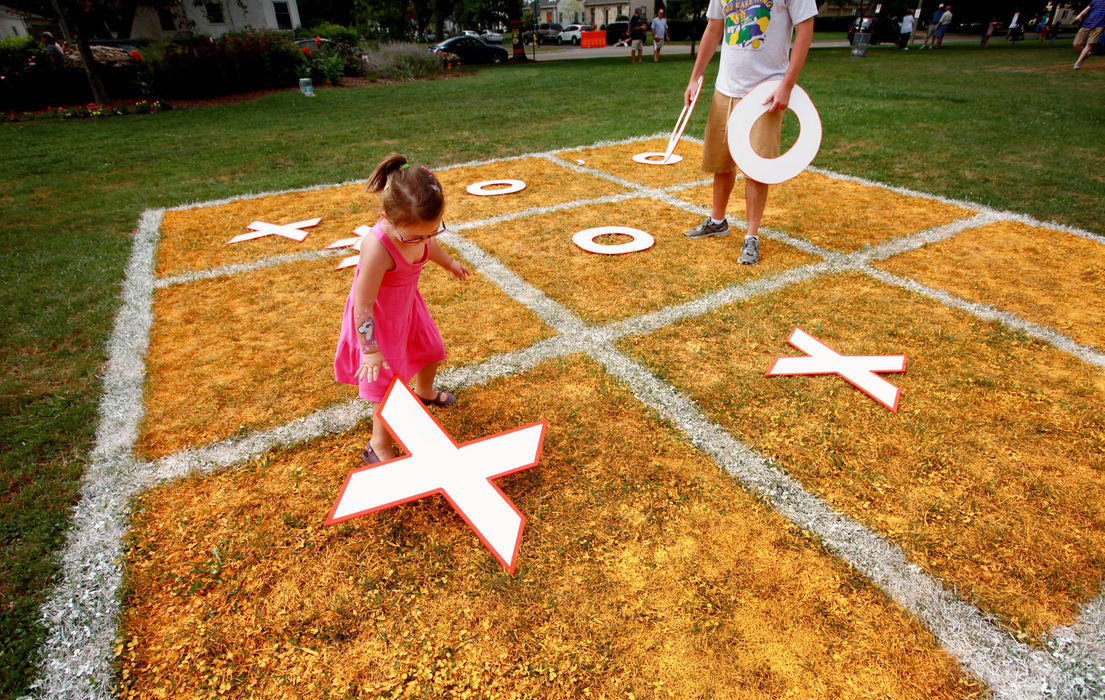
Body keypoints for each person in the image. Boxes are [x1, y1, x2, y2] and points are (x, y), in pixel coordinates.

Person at [334, 154, 471, 464]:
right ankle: (377, 444)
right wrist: (369, 350)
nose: (423, 240)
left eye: (431, 231)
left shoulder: (417, 233)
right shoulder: (377, 247)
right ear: (386, 217)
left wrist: (449, 263)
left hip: (408, 307)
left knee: (431, 348)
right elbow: (363, 304)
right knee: (386, 386)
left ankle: (423, 391)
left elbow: (428, 246)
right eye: (415, 235)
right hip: (378, 322)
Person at [681, 0, 817, 265]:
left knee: (757, 167)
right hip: (725, 88)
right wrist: (695, 77)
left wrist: (787, 85)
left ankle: (752, 236)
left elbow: (805, 30)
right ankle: (717, 221)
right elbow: (713, 28)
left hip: (765, 92)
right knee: (721, 162)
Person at [1073, 0, 1105, 69]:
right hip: (1087, 24)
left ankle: (1078, 63)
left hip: (1100, 26)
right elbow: (1087, 9)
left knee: (1089, 44)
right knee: (1076, 44)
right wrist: (1080, 15)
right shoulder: (1095, 1)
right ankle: (1086, 54)